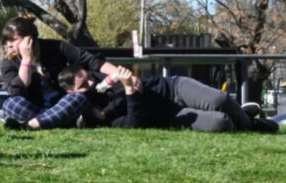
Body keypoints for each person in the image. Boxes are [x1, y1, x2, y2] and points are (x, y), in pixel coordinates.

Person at [58, 65, 280, 133]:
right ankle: (241, 116)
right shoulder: (96, 112)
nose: (90, 84)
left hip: (172, 87)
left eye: (88, 79)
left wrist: (130, 80)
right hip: (168, 114)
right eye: (83, 85)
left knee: (219, 99)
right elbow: (136, 124)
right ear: (71, 93)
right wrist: (129, 92)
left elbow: (133, 80)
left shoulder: (103, 79)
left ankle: (251, 123)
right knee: (220, 123)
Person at [0, 16, 120, 130]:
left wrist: (119, 73)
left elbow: (91, 60)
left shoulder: (56, 47)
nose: (9, 44)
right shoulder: (9, 62)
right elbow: (16, 91)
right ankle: (62, 121)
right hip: (36, 106)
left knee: (79, 98)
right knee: (10, 104)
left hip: (64, 101)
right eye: (7, 40)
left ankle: (29, 125)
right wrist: (26, 60)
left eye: (13, 39)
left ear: (29, 39)